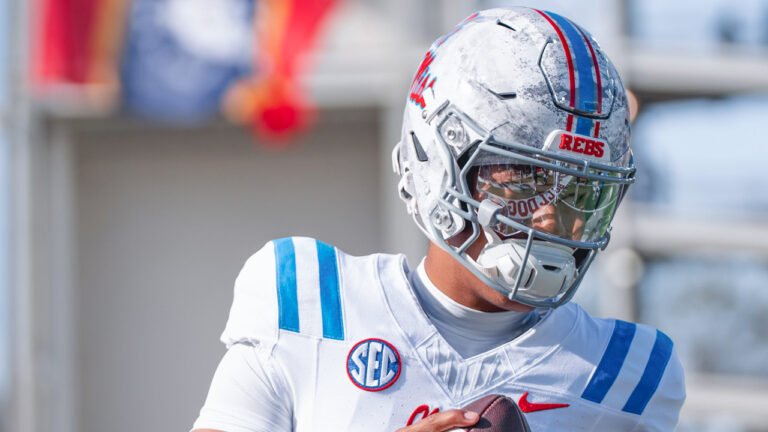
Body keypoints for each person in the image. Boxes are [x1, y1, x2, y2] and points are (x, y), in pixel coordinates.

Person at [191, 7, 685, 432]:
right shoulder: (311, 304)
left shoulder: (623, 376)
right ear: (436, 160)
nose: (552, 214)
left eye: (580, 189)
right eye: (523, 179)